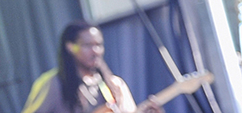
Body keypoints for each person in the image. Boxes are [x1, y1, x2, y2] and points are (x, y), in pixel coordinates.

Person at [21, 22, 164, 113]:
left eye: (99, 45)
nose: (96, 51)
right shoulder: (53, 83)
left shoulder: (114, 84)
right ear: (70, 47)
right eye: (88, 45)